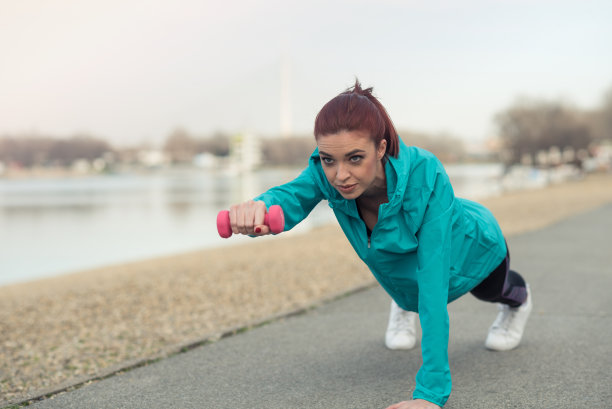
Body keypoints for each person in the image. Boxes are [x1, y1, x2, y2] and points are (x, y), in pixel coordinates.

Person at [226, 80, 532, 408]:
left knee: (486, 290)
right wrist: (259, 208)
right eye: (329, 159)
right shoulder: (326, 171)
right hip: (405, 268)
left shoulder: (426, 174)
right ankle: (403, 303)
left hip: (473, 247)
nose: (340, 175)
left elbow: (432, 281)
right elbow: (290, 198)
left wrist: (431, 395)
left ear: (382, 149)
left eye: (355, 158)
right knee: (405, 283)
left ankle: (518, 302)